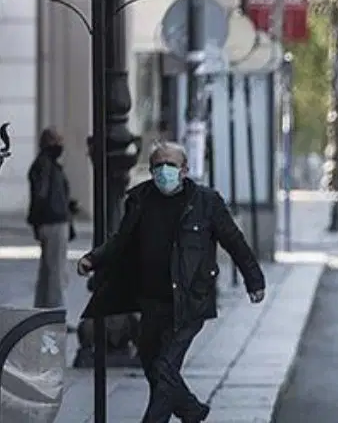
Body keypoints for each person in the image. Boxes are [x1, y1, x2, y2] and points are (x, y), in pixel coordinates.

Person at [76, 141, 266, 423]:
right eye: (158, 165)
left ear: (185, 170)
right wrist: (93, 258)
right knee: (152, 365)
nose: (164, 170)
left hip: (190, 301)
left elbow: (233, 241)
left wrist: (254, 279)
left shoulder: (206, 202)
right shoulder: (139, 200)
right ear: (151, 170)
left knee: (165, 368)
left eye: (171, 165)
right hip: (151, 300)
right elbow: (121, 240)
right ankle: (191, 410)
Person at [27, 127, 78, 309]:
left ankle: (42, 308)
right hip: (54, 222)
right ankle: (56, 312)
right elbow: (42, 195)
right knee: (56, 271)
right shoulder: (46, 165)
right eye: (57, 141)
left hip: (50, 221)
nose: (60, 146)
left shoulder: (44, 164)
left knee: (48, 270)